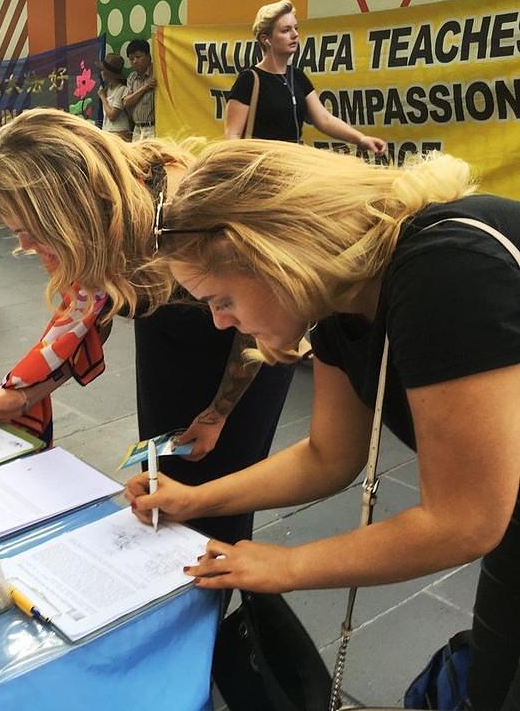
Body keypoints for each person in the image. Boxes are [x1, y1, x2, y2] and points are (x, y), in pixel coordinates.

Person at [126, 139, 520, 710]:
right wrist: (196, 500)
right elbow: (328, 455)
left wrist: (287, 565)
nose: (219, 322)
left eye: (223, 298)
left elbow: (463, 521)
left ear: (272, 255)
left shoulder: (446, 271)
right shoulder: (340, 299)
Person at [0, 108, 294, 546]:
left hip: (245, 352)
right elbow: (88, 309)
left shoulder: (186, 214)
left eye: (29, 230)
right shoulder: (104, 213)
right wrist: (23, 392)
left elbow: (256, 327)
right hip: (169, 340)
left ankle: (228, 594)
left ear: (66, 211)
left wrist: (217, 414)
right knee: (160, 485)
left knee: (215, 504)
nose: (22, 244)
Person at [225, 0, 387, 153]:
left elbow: (324, 119)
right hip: (261, 170)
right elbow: (233, 135)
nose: (295, 34)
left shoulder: (298, 76)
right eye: (286, 30)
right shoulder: (249, 80)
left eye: (296, 28)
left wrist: (361, 138)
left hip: (292, 167)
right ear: (266, 39)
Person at [123, 39, 156, 141]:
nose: (135, 61)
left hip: (153, 128)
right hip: (137, 128)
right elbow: (126, 102)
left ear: (148, 57)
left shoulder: (156, 74)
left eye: (138, 57)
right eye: (131, 59)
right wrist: (145, 87)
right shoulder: (131, 78)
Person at [97, 52, 131, 141]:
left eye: (103, 70)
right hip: (108, 133)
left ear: (109, 73)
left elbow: (112, 116)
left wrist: (103, 98)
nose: (101, 73)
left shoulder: (122, 89)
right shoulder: (107, 90)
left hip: (119, 133)